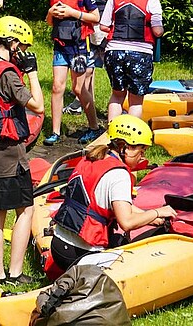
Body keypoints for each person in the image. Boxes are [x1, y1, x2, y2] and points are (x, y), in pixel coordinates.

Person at [49, 115, 177, 270]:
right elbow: (127, 222)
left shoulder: (93, 157)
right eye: (141, 151)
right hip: (81, 255)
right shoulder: (119, 174)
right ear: (125, 147)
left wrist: (148, 216)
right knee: (141, 254)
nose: (142, 157)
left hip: (58, 246)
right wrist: (157, 212)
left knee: (116, 238)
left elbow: (107, 204)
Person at [0, 16, 44, 285]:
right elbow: (37, 105)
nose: (23, 52)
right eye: (22, 46)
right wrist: (33, 72)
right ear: (12, 43)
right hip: (9, 152)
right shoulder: (9, 74)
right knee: (25, 209)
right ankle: (14, 273)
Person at [45, 0, 100, 146]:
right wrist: (51, 13)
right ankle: (55, 132)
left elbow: (96, 17)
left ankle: (94, 127)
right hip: (60, 45)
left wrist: (72, 13)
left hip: (79, 46)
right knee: (57, 87)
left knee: (78, 88)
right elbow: (49, 21)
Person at [100, 0, 163, 123]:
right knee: (135, 100)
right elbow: (157, 30)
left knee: (117, 95)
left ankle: (112, 135)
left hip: (114, 51)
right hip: (140, 53)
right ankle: (130, 140)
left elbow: (104, 26)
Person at [76, 0, 121, 143]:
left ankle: (119, 106)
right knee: (88, 70)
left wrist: (107, 29)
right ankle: (87, 106)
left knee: (112, 71)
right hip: (91, 32)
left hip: (103, 32)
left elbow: (113, 7)